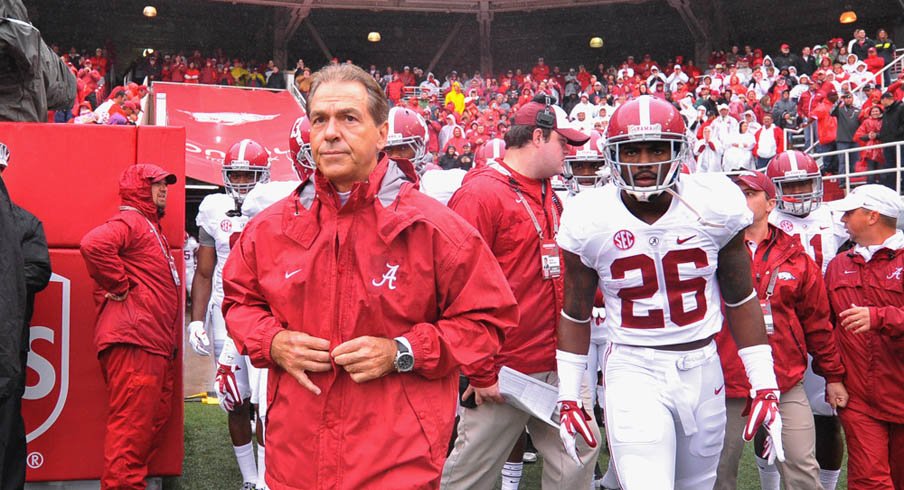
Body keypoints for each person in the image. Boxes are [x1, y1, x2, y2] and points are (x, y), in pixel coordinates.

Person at [221, 63, 517, 489]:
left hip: (395, 461)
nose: (330, 132)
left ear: (381, 134)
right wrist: (272, 341)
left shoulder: (435, 228)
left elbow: (488, 319)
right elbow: (238, 302)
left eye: (348, 118)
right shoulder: (271, 227)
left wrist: (403, 350)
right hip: (295, 458)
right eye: (319, 119)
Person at [555, 96, 783, 489]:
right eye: (632, 150)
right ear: (613, 155)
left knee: (697, 485)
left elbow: (741, 297)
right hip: (633, 367)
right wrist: (569, 392)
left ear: (680, 151)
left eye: (657, 148)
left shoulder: (715, 204)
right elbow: (574, 311)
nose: (644, 161)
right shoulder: (589, 215)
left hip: (702, 364)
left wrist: (765, 381)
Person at [441, 96, 600, 489]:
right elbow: (455, 289)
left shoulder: (548, 192)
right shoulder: (480, 194)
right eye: (564, 143)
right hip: (504, 369)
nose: (570, 153)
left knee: (578, 454)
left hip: (558, 359)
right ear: (538, 136)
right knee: (469, 475)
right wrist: (479, 371)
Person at [714, 170, 848, 490]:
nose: (741, 200)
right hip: (725, 382)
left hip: (783, 377)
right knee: (717, 474)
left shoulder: (795, 254)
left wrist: (833, 375)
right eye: (737, 193)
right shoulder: (710, 249)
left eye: (749, 193)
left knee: (803, 468)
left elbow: (817, 323)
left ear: (771, 202)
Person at [80, 164, 180, 489]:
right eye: (156, 183)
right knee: (129, 436)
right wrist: (120, 285)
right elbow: (94, 244)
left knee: (143, 431)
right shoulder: (132, 221)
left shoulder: (148, 226)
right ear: (139, 188)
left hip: (150, 344)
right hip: (136, 343)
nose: (163, 188)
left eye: (165, 183)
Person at [189, 139, 272, 490]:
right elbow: (205, 272)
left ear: (263, 176)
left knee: (267, 405)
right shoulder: (213, 207)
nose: (241, 183)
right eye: (235, 175)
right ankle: (250, 479)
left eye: (248, 175)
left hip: (266, 316)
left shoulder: (276, 204)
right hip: (226, 314)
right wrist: (196, 319)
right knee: (234, 401)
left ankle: (269, 477)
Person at [765, 150, 849, 490]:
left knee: (828, 416)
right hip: (779, 325)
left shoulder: (837, 215)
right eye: (791, 185)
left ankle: (827, 486)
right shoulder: (763, 219)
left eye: (804, 184)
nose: (799, 192)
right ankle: (769, 483)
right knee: (769, 415)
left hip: (826, 324)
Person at [825, 184, 904, 489]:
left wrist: (879, 317)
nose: (843, 218)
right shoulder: (838, 266)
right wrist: (832, 377)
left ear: (872, 216)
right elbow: (826, 328)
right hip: (858, 396)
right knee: (870, 480)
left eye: (850, 211)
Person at [0, 143, 51, 489]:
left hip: (9, 342)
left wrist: (9, 274)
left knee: (6, 427)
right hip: (10, 340)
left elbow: (39, 271)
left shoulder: (24, 222)